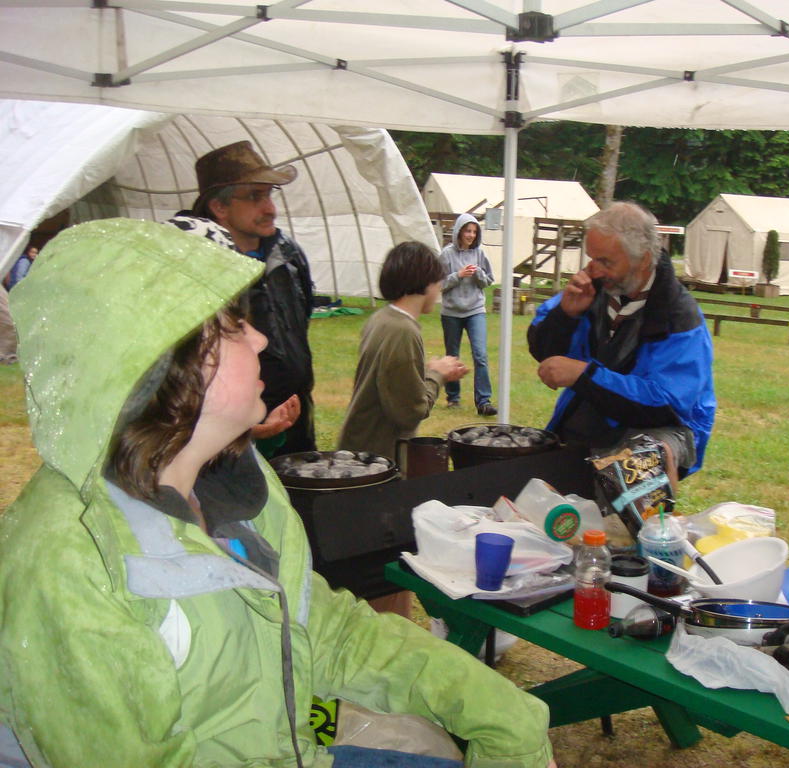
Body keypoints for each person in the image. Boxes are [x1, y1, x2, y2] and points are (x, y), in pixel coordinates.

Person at [0, 219, 555, 768]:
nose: (261, 338)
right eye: (233, 327)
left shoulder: (235, 487)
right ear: (158, 362)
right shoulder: (68, 563)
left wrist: (496, 708)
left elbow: (326, 631)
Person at [527, 201, 716, 486]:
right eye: (591, 258)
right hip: (590, 420)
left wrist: (585, 375)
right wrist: (565, 315)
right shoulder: (593, 288)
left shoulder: (678, 317)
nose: (593, 269)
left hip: (661, 430)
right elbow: (544, 351)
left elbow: (665, 405)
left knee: (643, 460)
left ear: (644, 259)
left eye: (606, 261)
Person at [189, 140, 316, 457]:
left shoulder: (287, 255)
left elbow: (301, 323)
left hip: (296, 414)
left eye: (270, 194)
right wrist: (241, 429)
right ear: (219, 207)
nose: (270, 208)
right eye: (255, 196)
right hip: (231, 436)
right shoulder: (199, 267)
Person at [339, 241, 467, 461]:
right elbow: (410, 411)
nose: (439, 290)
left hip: (360, 446)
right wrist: (437, 375)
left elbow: (392, 379)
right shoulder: (403, 331)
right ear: (425, 282)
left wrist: (429, 370)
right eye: (438, 282)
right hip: (376, 458)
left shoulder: (382, 319)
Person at [438, 214, 497, 416]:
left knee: (480, 354)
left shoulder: (480, 253)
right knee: (452, 355)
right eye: (467, 231)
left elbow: (488, 281)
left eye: (474, 231)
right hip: (451, 312)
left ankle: (484, 401)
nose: (471, 235)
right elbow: (438, 284)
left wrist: (478, 273)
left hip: (475, 310)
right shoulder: (446, 254)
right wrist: (458, 275)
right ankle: (453, 398)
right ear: (459, 231)